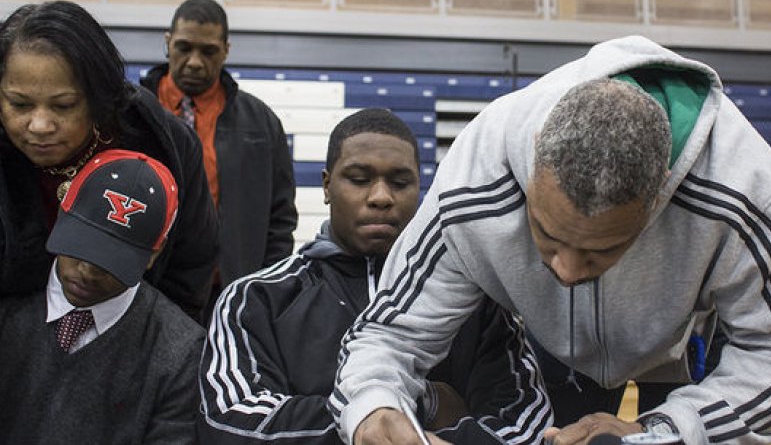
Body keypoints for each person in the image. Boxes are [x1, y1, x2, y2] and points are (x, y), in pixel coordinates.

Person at [329, 36, 771, 444]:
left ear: (659, 197)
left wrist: (662, 431)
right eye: (548, 237)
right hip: (552, 345)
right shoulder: (477, 176)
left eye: (604, 250)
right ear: (533, 168)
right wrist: (374, 405)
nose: (568, 271)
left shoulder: (740, 187)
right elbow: (389, 335)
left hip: (682, 342)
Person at [198, 108, 552, 444]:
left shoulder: (478, 302)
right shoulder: (255, 299)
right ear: (326, 186)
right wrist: (401, 411)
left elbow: (525, 424)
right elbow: (231, 423)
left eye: (400, 182)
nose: (381, 197)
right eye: (359, 179)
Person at [0, 0, 218, 321]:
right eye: (19, 104)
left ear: (99, 98)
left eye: (64, 106)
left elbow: (190, 270)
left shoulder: (166, 144)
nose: (39, 126)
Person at [0, 149, 204, 443]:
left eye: (110, 261)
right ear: (62, 212)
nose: (86, 272)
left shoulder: (181, 352)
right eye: (79, 247)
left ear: (154, 254)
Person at [141, 0, 298, 296]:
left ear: (226, 51)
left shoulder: (261, 122)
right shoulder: (133, 113)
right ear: (167, 42)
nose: (195, 62)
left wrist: (265, 287)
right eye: (184, 48)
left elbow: (280, 218)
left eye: (209, 51)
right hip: (146, 286)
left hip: (227, 291)